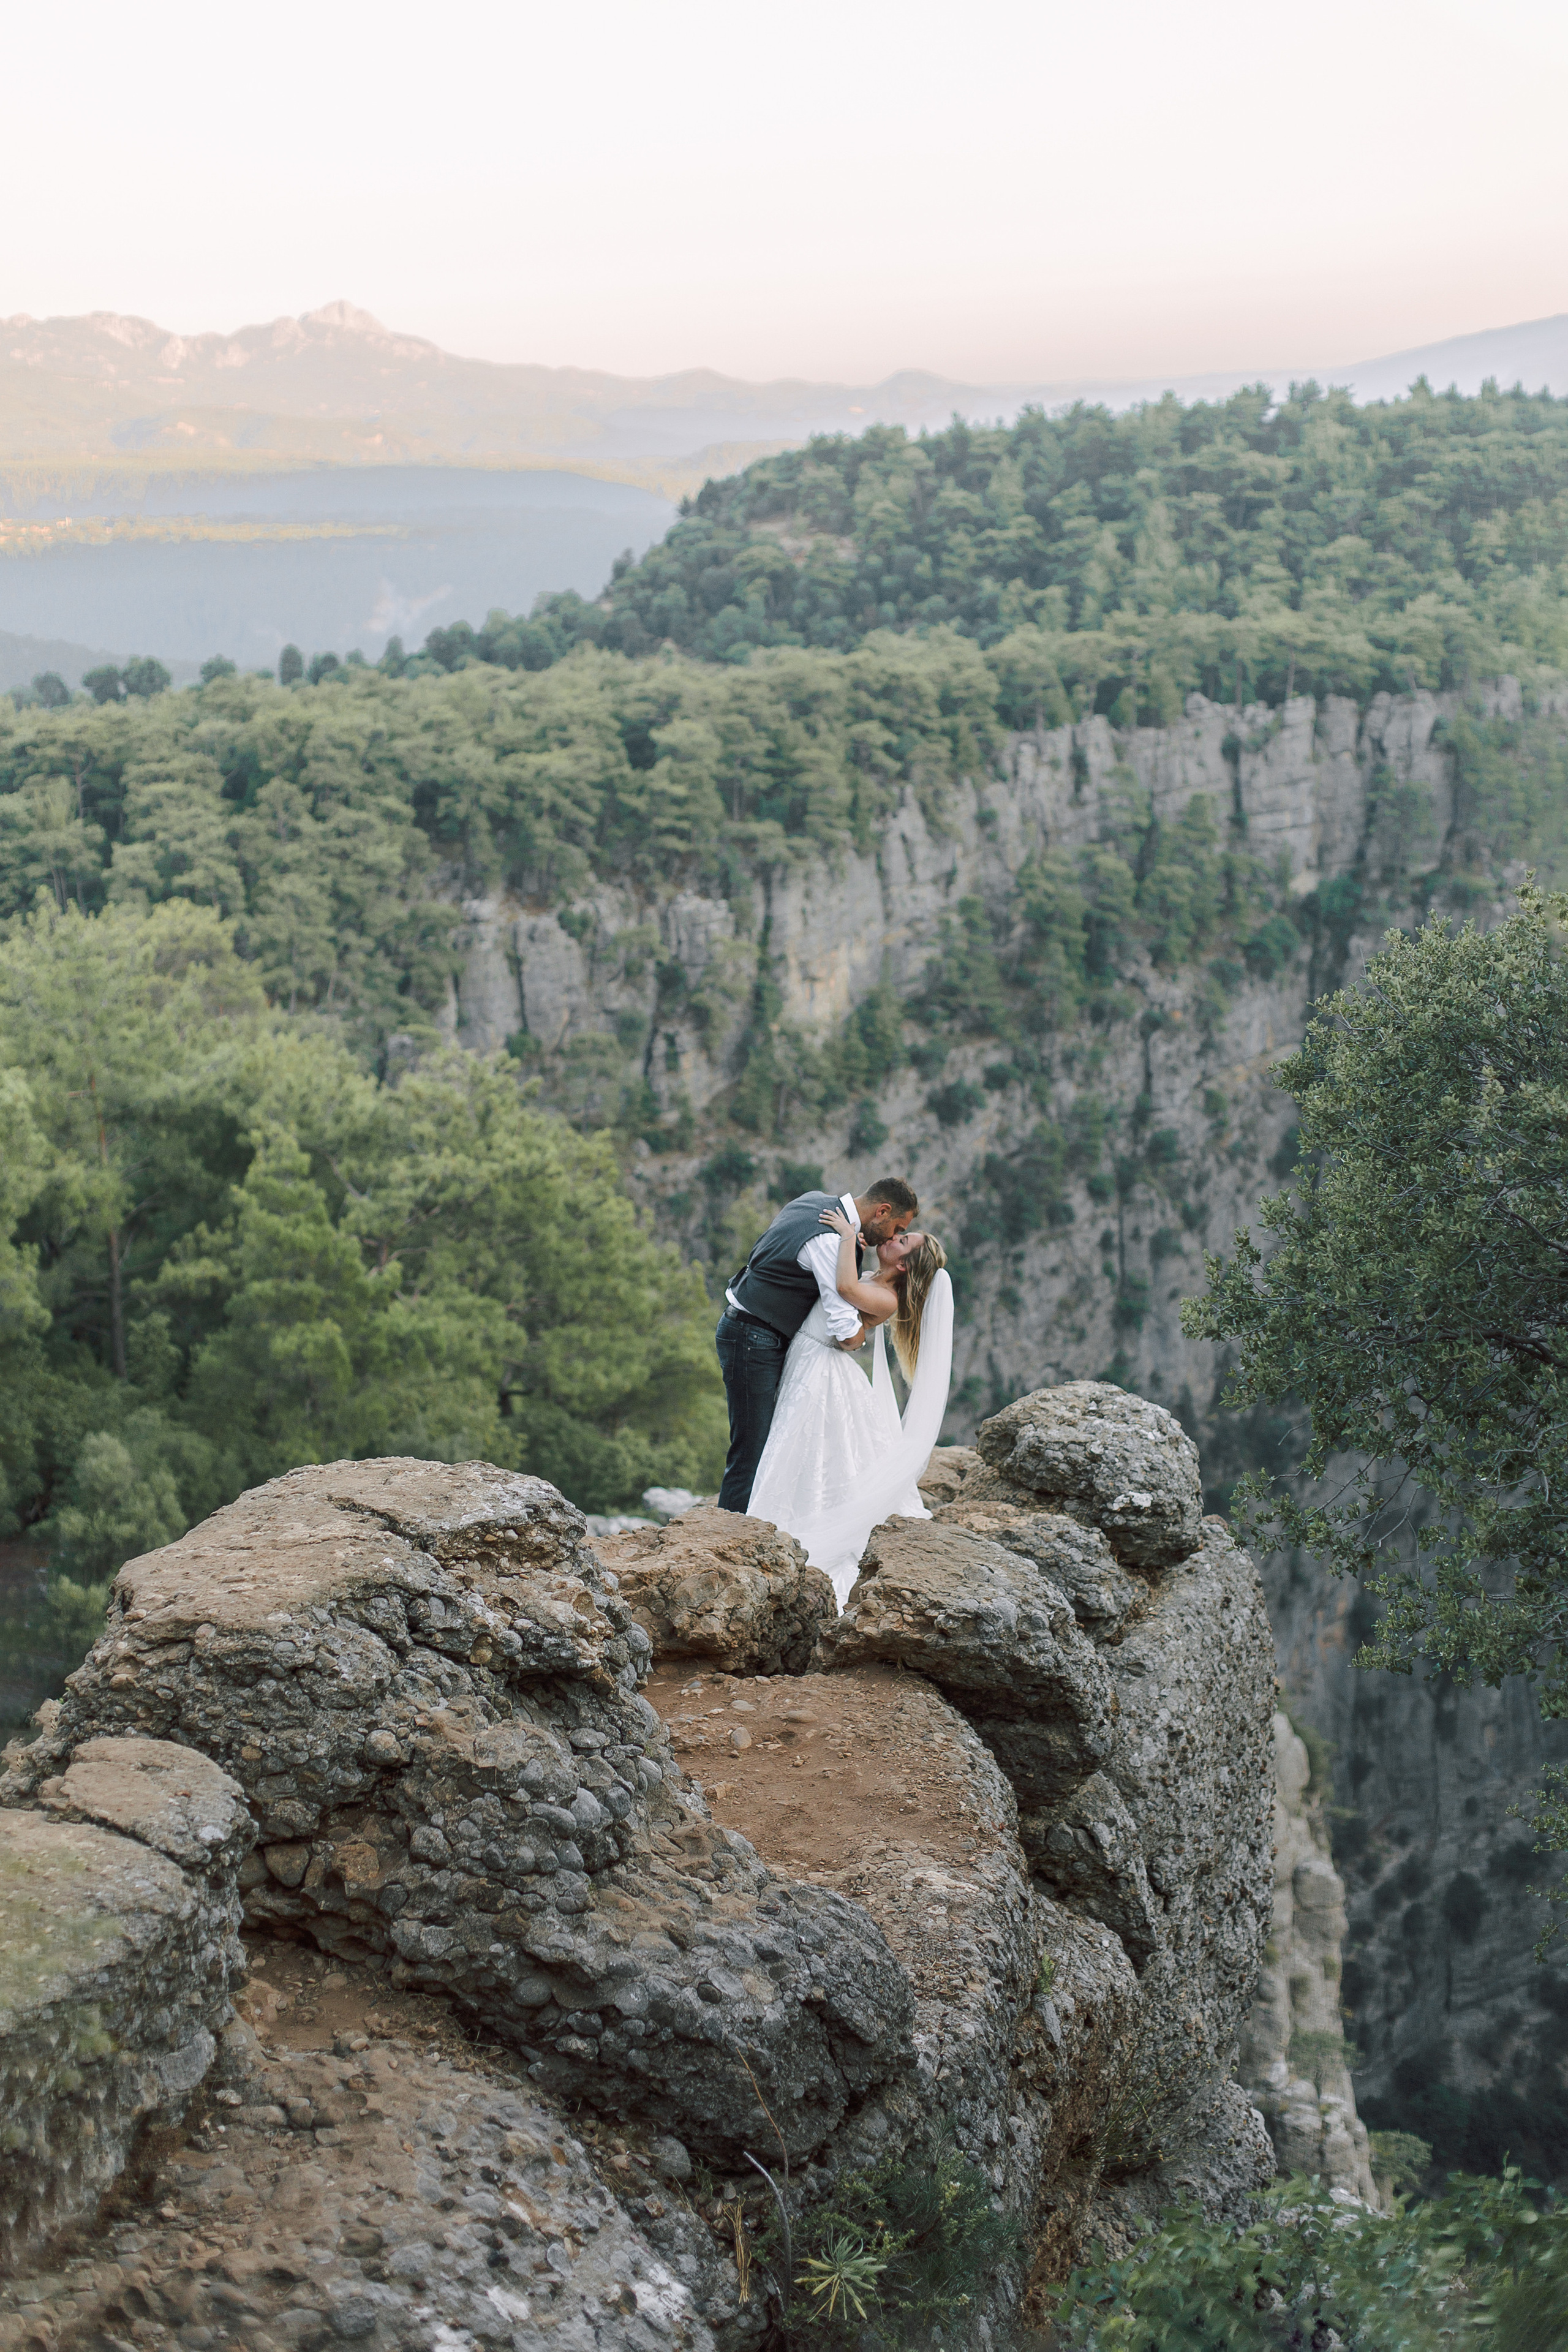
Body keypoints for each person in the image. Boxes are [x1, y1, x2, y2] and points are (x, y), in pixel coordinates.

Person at [746, 1204, 952, 1607]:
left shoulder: (888, 1299)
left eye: (903, 1240)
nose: (893, 1238)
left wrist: (844, 1238)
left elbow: (843, 1290)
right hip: (811, 1355)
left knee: (801, 1445)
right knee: (815, 1450)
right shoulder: (877, 1278)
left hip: (821, 1366)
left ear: (907, 1266)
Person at [714, 1179, 918, 1512]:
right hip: (755, 1338)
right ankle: (730, 1532)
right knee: (753, 1447)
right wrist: (859, 1336)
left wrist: (853, 1248)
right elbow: (843, 1325)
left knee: (769, 1441)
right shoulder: (830, 1240)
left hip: (754, 1328)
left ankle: (745, 1523)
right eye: (898, 1227)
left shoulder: (813, 1201)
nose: (894, 1236)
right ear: (882, 1211)